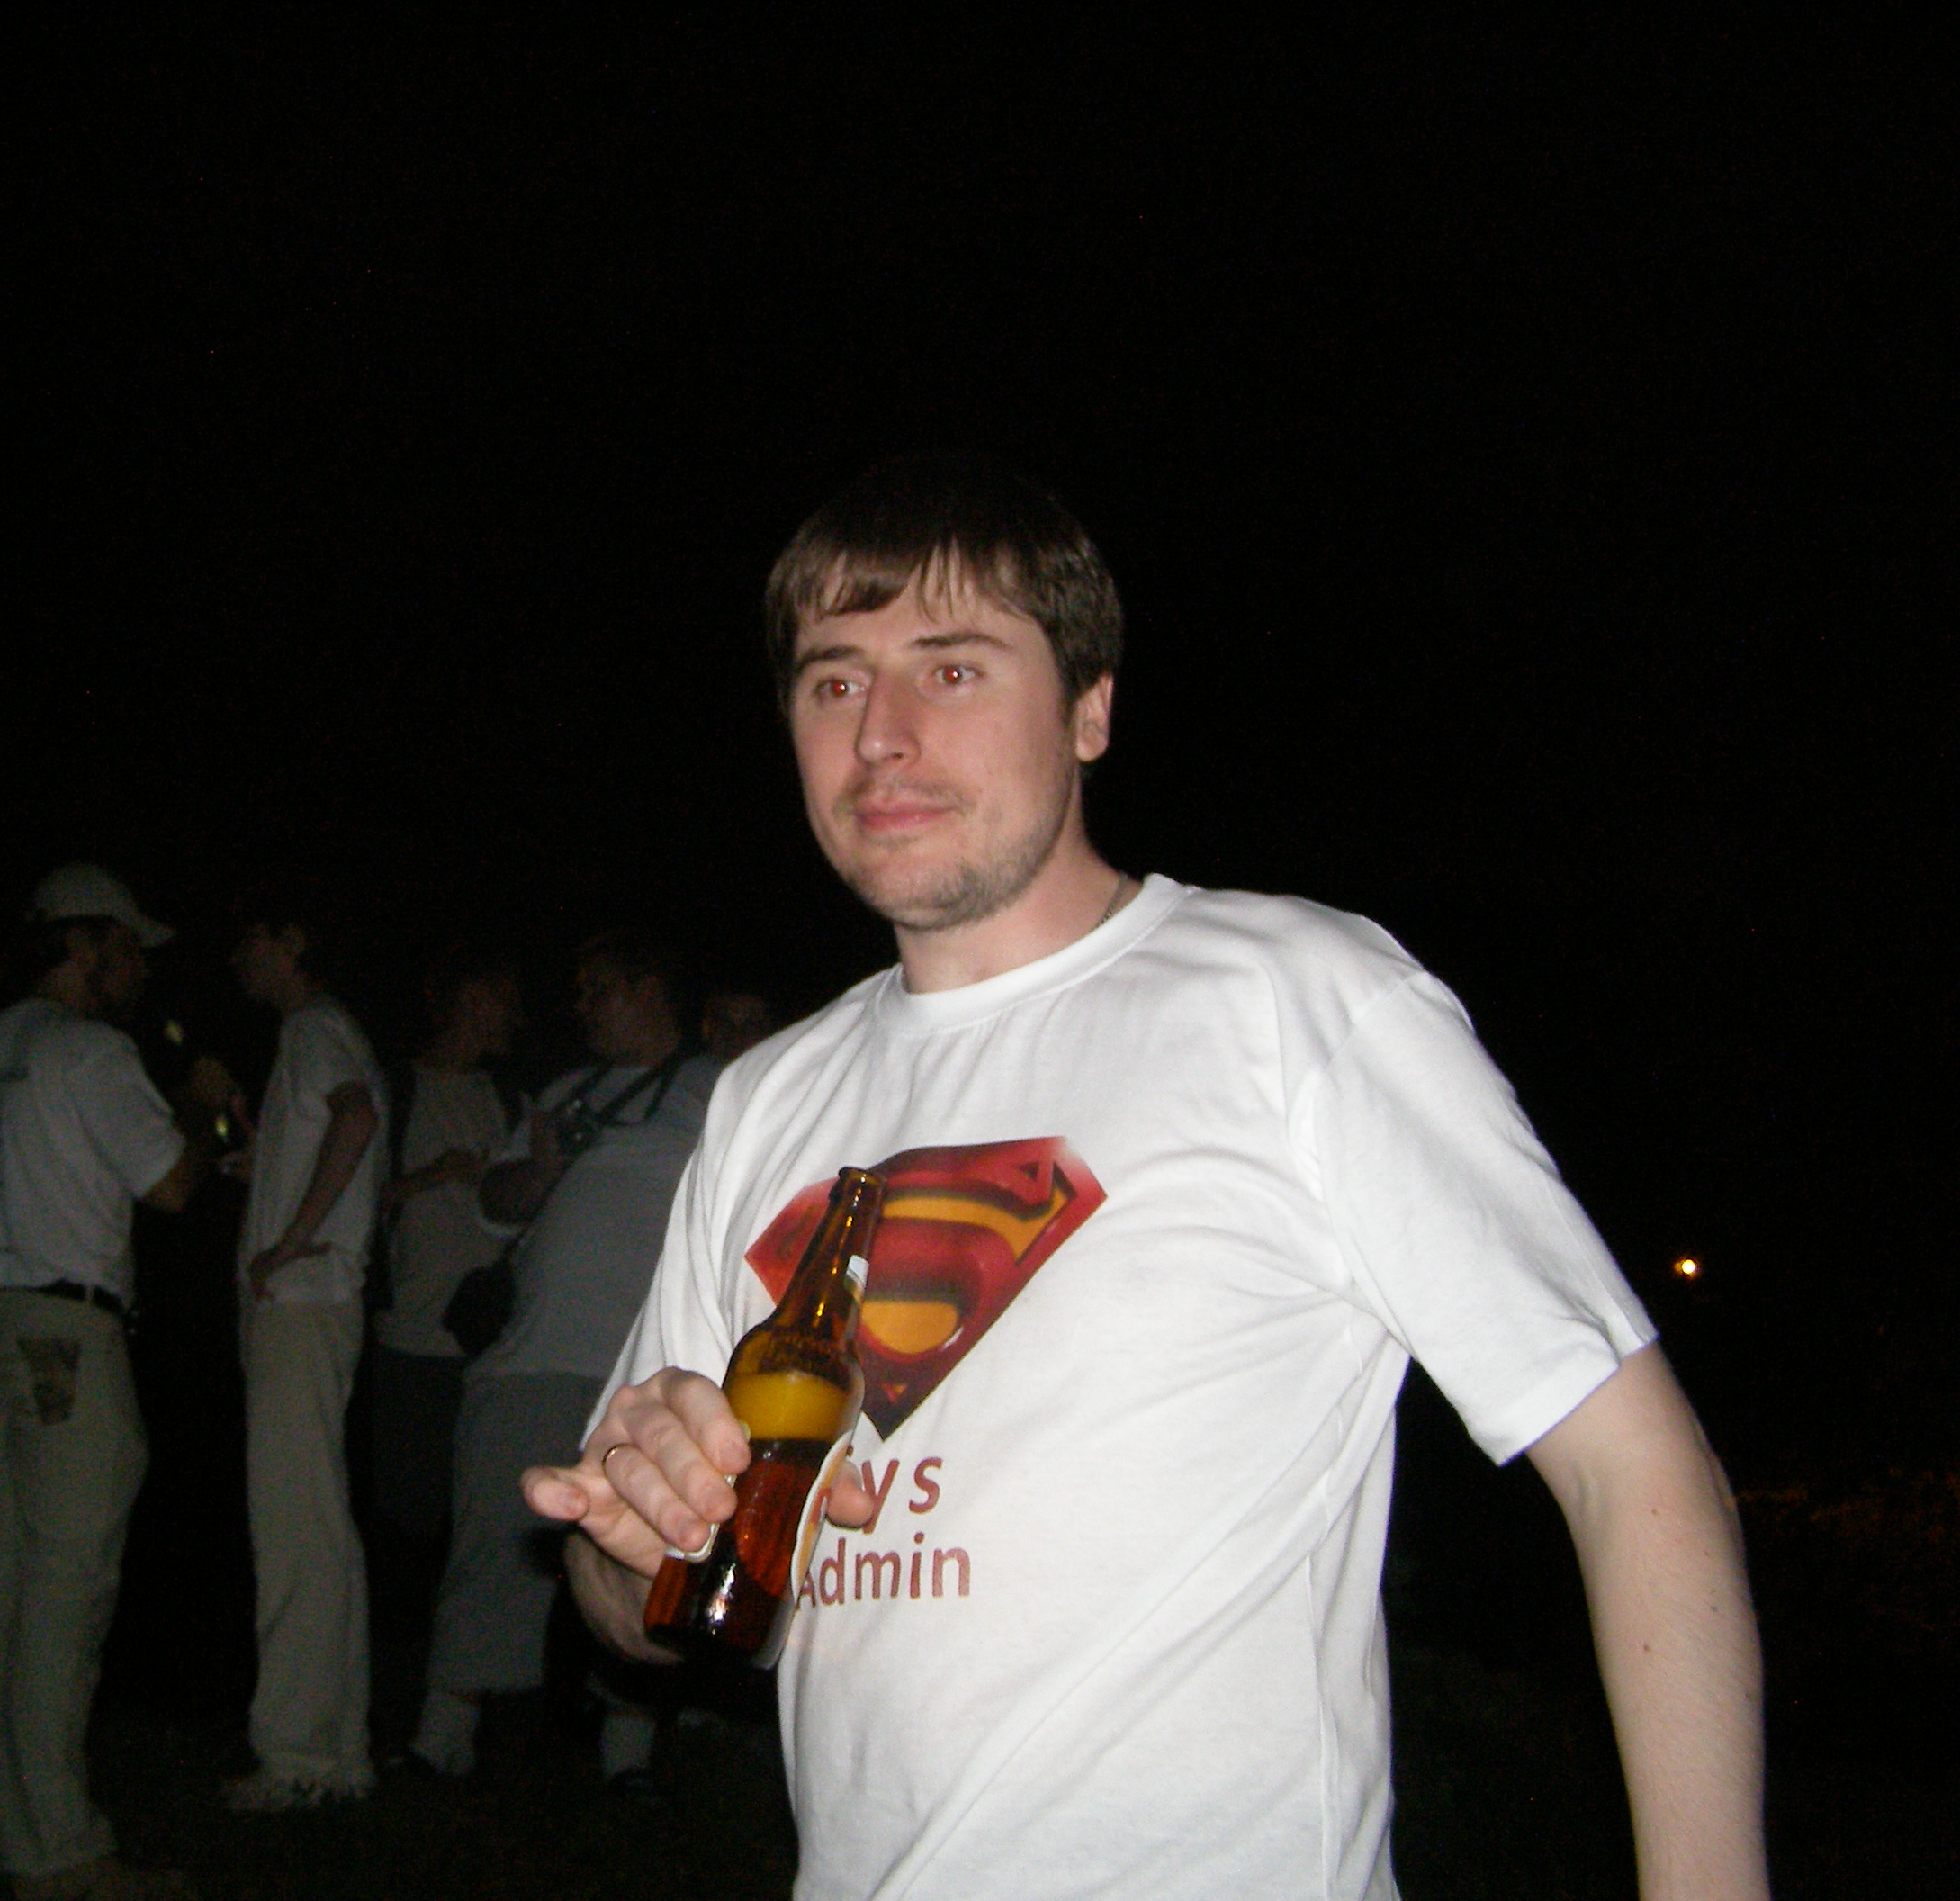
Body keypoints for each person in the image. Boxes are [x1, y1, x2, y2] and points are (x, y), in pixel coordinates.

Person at [526, 455, 1767, 1900]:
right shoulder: (768, 1097)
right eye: (834, 681)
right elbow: (634, 1592)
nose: (882, 735)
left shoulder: (1292, 999)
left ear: (1091, 709)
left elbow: (1634, 1469)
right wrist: (638, 1532)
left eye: (953, 669)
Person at [0, 863, 207, 1901]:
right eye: (124, 948)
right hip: (60, 1334)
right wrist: (200, 1111)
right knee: (64, 1586)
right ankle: (55, 1849)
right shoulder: (89, 1051)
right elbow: (170, 1183)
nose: (135, 968)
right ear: (80, 945)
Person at [410, 931, 719, 1784]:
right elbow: (494, 1202)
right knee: (491, 1542)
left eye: (598, 989)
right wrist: (543, 1168)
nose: (580, 1008)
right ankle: (443, 1737)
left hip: (646, 1369)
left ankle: (627, 1754)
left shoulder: (716, 1087)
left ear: (649, 989)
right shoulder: (563, 1091)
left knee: (646, 1555)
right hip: (534, 1355)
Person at [222, 901, 389, 1813]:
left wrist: (288, 1240)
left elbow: (354, 1120)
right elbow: (342, 1130)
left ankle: (295, 1756)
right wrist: (269, 1168)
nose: (239, 954)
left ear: (292, 940)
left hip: (302, 1303)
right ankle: (339, 1751)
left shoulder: (313, 1026)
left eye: (253, 936)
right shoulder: (327, 1031)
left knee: (293, 1527)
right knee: (316, 1523)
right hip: (315, 1304)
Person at [365, 951, 524, 1601]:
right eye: (505, 1001)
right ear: (474, 1002)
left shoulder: (508, 1100)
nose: (516, 1017)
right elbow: (348, 1199)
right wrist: (432, 1176)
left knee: (480, 1526)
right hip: (410, 1339)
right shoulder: (395, 1089)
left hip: (488, 1346)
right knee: (406, 1521)